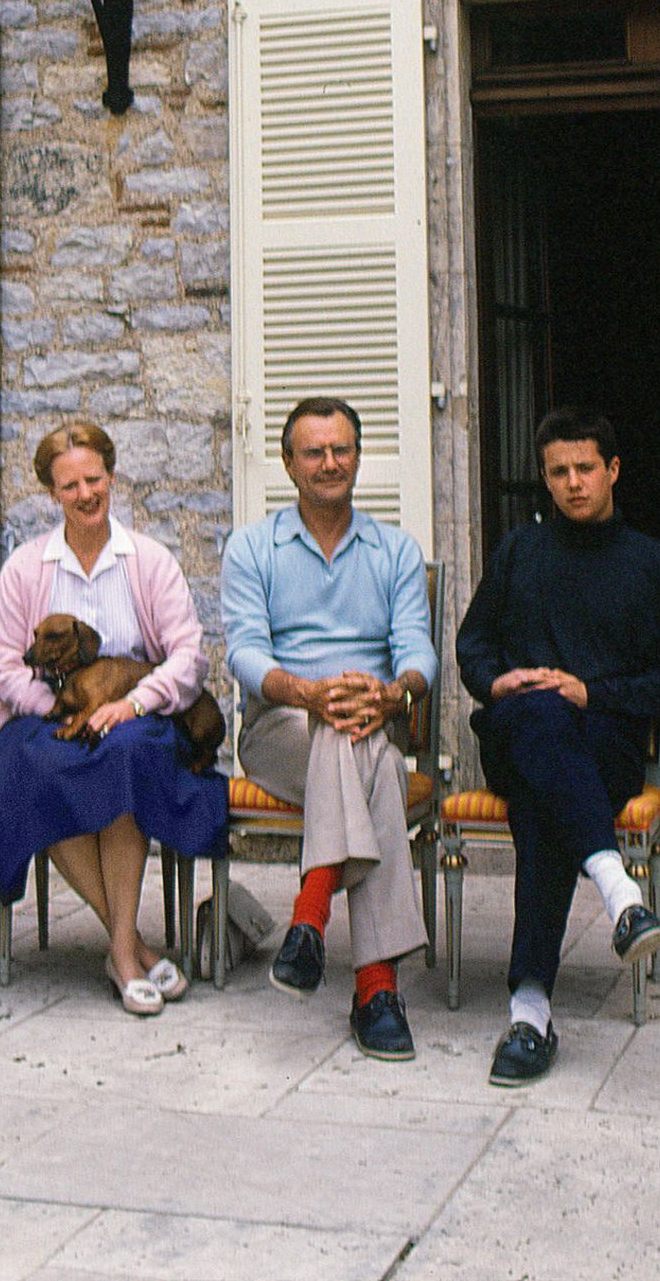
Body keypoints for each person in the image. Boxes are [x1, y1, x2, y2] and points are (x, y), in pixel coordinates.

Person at [456, 408, 660, 1086]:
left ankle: (530, 1011)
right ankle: (619, 890)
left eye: (585, 467)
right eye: (558, 471)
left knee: (546, 801)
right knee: (536, 712)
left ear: (613, 469)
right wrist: (497, 679)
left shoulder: (654, 564)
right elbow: (472, 646)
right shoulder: (518, 552)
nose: (572, 482)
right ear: (545, 476)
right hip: (514, 739)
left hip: (606, 743)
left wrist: (593, 693)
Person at [0, 419, 227, 1016]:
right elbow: (2, 663)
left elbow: (189, 655)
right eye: (70, 484)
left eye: (94, 479)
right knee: (38, 766)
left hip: (136, 712)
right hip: (45, 713)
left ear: (112, 476)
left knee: (124, 758)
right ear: (53, 493)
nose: (85, 494)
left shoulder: (149, 561)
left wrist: (133, 702)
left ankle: (122, 952)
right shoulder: (26, 566)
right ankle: (129, 948)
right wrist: (54, 705)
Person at [220, 396, 437, 1063]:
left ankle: (311, 922)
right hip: (277, 726)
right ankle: (375, 989)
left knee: (358, 736)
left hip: (370, 716)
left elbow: (418, 651)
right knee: (358, 743)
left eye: (341, 449)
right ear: (288, 462)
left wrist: (393, 690)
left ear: (358, 456)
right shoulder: (252, 546)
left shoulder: (396, 550)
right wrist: (309, 693)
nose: (329, 462)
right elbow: (246, 654)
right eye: (314, 451)